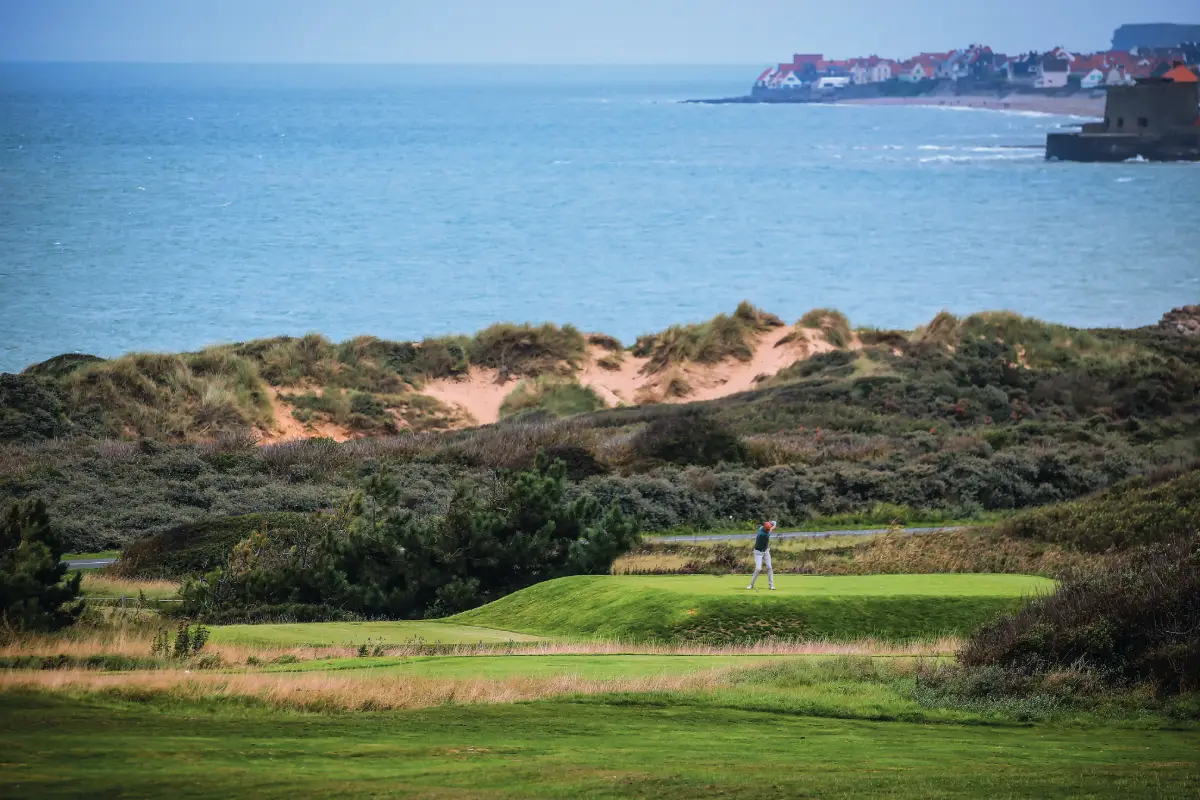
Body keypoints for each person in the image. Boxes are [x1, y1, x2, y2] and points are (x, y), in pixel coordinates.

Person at [747, 520, 776, 590]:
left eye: (768, 529)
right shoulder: (763, 534)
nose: (768, 530)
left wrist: (771, 522)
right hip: (758, 553)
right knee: (758, 568)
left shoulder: (761, 528)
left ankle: (771, 585)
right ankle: (751, 584)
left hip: (766, 551)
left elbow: (771, 525)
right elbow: (772, 527)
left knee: (769, 567)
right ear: (764, 528)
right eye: (767, 529)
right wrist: (774, 524)